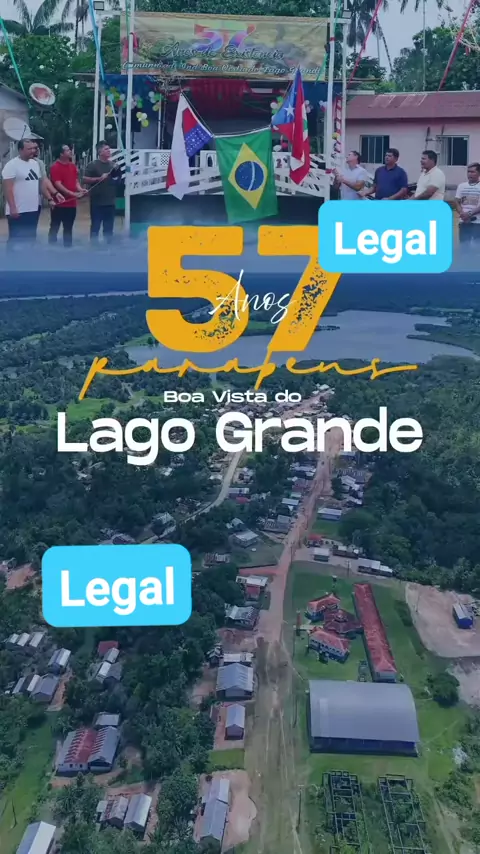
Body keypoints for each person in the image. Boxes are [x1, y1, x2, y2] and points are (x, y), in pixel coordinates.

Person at [1, 139, 56, 248]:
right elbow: (8, 188)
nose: (33, 151)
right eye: (29, 149)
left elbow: (41, 184)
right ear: (20, 150)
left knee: (30, 238)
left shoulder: (35, 164)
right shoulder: (11, 165)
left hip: (33, 209)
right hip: (18, 210)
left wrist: (50, 198)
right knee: (16, 239)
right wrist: (13, 208)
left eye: (33, 148)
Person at [84, 141, 121, 244]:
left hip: (110, 202)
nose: (109, 151)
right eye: (106, 149)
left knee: (109, 228)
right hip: (97, 202)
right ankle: (94, 246)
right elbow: (84, 179)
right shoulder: (93, 165)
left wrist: (118, 176)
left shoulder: (113, 165)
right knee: (95, 226)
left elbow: (118, 180)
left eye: (109, 149)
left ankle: (108, 247)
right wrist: (99, 178)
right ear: (100, 152)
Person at [49, 145, 86, 247]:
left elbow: (75, 180)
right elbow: (58, 184)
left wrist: (80, 189)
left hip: (71, 204)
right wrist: (72, 193)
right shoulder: (55, 167)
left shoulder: (72, 166)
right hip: (59, 203)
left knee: (68, 228)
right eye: (67, 150)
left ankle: (68, 248)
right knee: (55, 227)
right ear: (61, 154)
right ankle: (51, 248)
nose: (70, 152)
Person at [454, 163, 480, 244]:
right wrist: (462, 214)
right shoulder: (461, 186)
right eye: (468, 172)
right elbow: (457, 202)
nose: (470, 174)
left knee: (476, 247)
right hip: (463, 221)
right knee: (464, 245)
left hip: (477, 222)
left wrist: (469, 214)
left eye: (473, 172)